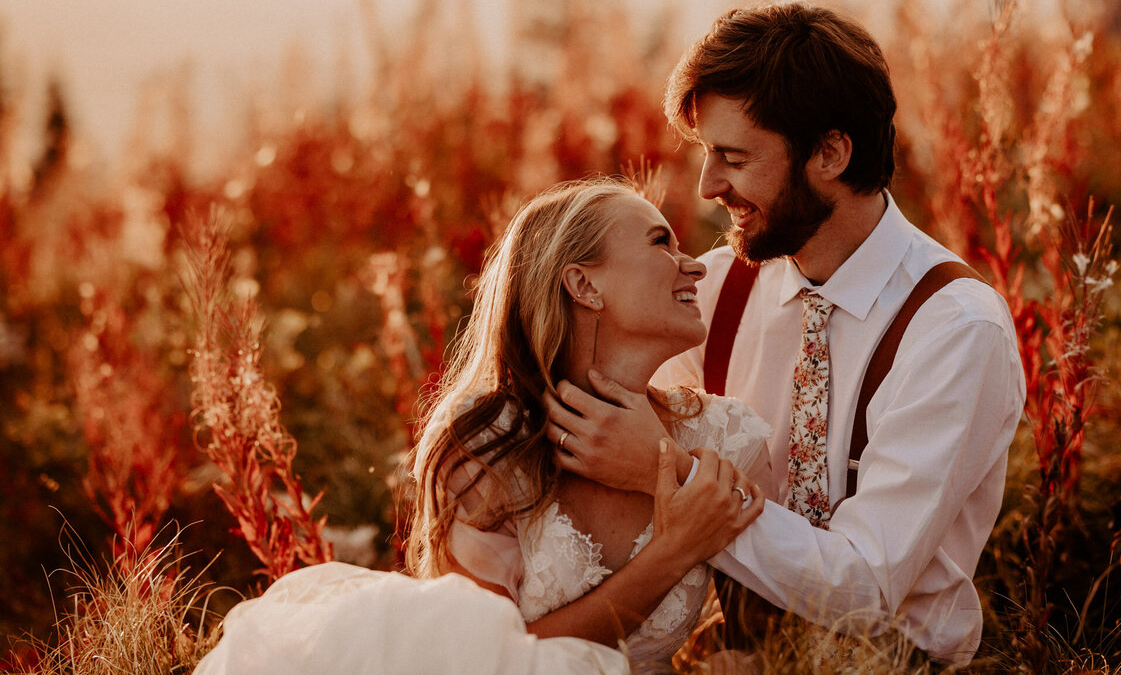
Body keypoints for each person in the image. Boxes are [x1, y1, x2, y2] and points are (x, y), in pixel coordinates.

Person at [545, 2, 1025, 666]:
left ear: (830, 153)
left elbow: (864, 586)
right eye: (708, 155)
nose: (710, 185)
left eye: (733, 157)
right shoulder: (708, 292)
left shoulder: (954, 331)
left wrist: (672, 474)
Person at [195, 179, 770, 675]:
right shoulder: (488, 445)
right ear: (585, 286)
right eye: (660, 242)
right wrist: (672, 554)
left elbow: (762, 644)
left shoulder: (727, 441)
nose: (694, 264)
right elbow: (480, 659)